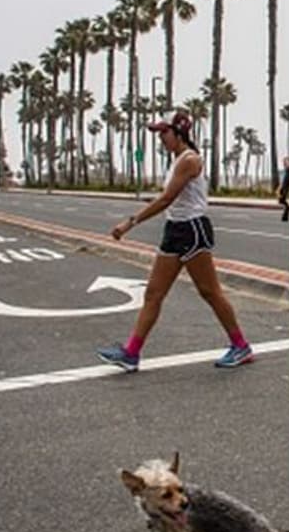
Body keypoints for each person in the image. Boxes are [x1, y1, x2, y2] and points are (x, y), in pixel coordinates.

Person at [95, 111, 253, 372]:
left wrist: (130, 222)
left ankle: (241, 346)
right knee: (154, 293)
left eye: (164, 132)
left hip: (192, 229)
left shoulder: (189, 160)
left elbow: (167, 198)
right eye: (159, 133)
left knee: (210, 292)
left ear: (179, 132)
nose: (160, 138)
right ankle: (131, 353)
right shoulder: (177, 160)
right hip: (174, 229)